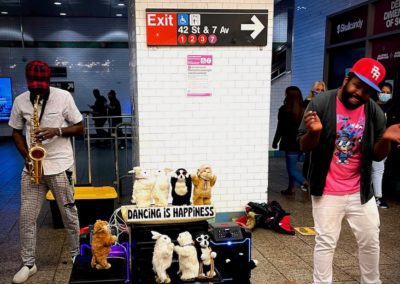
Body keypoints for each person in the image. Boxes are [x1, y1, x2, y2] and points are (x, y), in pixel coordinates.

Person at [298, 57, 400, 284]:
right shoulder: (321, 103)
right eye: (357, 85)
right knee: (326, 242)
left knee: (371, 240)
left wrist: (386, 139)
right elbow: (303, 146)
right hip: (327, 190)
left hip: (360, 191)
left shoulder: (372, 110)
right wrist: (314, 132)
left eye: (366, 90)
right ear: (346, 79)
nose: (359, 93)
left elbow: (377, 154)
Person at [8, 60, 83, 283]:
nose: (37, 90)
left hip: (60, 166)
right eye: (33, 86)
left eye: (42, 86)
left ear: (48, 81)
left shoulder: (63, 97)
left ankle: (76, 255)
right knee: (27, 217)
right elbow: (15, 133)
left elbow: (79, 127)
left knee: (69, 214)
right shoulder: (20, 101)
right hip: (33, 169)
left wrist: (56, 130)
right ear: (28, 83)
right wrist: (27, 158)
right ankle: (29, 263)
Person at [272, 86, 308, 195]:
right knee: (293, 167)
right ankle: (290, 188)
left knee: (291, 169)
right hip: (302, 142)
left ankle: (306, 184)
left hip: (290, 143)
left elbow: (280, 128)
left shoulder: (284, 110)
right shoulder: (305, 109)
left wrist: (275, 141)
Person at [371, 82, 393, 208]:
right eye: (382, 92)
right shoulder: (372, 106)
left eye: (387, 92)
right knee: (377, 169)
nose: (385, 95)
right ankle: (378, 197)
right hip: (374, 142)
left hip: (388, 144)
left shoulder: (393, 108)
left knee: (379, 170)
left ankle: (377, 196)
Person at [303, 81, 327, 179]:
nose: (320, 92)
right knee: (310, 160)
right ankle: (307, 181)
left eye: (322, 90)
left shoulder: (327, 103)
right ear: (313, 91)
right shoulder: (307, 103)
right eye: (317, 90)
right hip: (311, 134)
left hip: (324, 136)